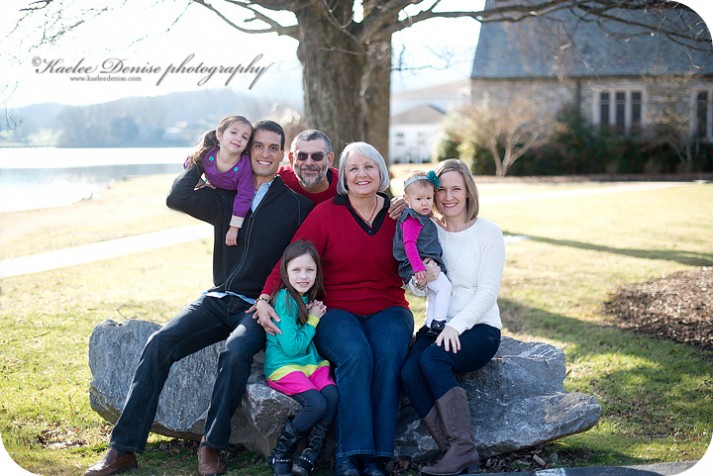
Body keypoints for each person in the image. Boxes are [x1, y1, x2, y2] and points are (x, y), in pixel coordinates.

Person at [84, 120, 314, 476]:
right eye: (258, 146)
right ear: (247, 150)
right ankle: (123, 448)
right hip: (217, 297)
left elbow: (305, 257)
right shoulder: (225, 196)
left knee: (236, 352)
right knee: (159, 343)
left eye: (273, 148)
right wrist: (206, 151)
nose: (265, 153)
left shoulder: (297, 206)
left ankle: (212, 446)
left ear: (281, 155)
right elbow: (177, 197)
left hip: (257, 306)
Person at [255, 142, 414, 476]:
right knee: (356, 355)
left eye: (369, 167)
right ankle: (348, 455)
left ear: (381, 173)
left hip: (389, 307)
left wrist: (412, 205)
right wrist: (266, 297)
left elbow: (430, 234)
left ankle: (374, 457)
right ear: (343, 176)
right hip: (335, 309)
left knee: (387, 355)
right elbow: (292, 258)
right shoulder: (327, 213)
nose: (361, 174)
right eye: (353, 168)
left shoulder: (399, 214)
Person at [400, 159, 504, 476]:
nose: (448, 197)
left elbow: (488, 292)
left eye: (456, 189)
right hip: (439, 322)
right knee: (408, 372)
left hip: (479, 327)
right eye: (441, 190)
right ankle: (454, 451)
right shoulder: (430, 230)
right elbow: (420, 287)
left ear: (468, 192)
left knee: (433, 360)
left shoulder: (488, 233)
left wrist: (456, 326)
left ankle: (462, 449)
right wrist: (420, 280)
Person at [264, 240, 338, 476]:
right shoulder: (285, 299)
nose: (303, 276)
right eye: (296, 270)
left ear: (318, 271)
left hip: (310, 364)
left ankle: (310, 455)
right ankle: (281, 453)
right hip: (284, 365)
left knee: (332, 396)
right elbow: (293, 347)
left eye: (310, 270)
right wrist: (314, 319)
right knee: (316, 403)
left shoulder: (306, 297)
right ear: (286, 272)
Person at [392, 169, 452, 335]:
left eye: (428, 198)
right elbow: (409, 245)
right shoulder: (412, 218)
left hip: (424, 263)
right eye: (419, 199)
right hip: (417, 265)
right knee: (445, 288)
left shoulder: (424, 216)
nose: (425, 203)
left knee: (434, 293)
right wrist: (418, 268)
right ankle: (440, 321)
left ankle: (430, 324)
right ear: (407, 199)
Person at [184, 115, 254, 246]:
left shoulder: (244, 166)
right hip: (214, 190)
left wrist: (234, 228)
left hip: (233, 199)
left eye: (245, 137)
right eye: (234, 132)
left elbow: (244, 196)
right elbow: (189, 164)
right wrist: (202, 183)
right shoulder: (207, 155)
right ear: (220, 135)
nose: (238, 138)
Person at [278, 129, 339, 205]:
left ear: (329, 159)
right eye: (302, 156)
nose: (309, 163)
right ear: (292, 159)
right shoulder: (278, 179)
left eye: (317, 156)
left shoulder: (345, 185)